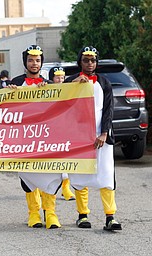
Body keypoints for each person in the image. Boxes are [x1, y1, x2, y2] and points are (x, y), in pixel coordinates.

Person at [64, 46, 122, 231]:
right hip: (79, 137)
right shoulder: (71, 81)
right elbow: (60, 104)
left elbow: (108, 110)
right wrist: (73, 85)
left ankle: (110, 216)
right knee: (81, 175)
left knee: (106, 175)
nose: (90, 63)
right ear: (80, 61)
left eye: (93, 60)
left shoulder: (104, 83)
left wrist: (104, 132)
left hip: (102, 136)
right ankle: (82, 215)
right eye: (86, 60)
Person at [10, 45, 62, 229]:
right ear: (25, 61)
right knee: (28, 175)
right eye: (31, 60)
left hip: (46, 138)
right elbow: (4, 107)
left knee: (50, 173)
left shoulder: (50, 84)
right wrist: (8, 93)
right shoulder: (15, 82)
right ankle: (33, 213)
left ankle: (51, 213)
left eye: (38, 60)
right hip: (24, 138)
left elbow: (60, 107)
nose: (34, 63)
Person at [49, 66, 77, 201]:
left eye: (62, 77)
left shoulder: (69, 92)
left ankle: (66, 189)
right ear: (52, 79)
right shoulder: (46, 92)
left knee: (66, 159)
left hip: (66, 130)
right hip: (51, 132)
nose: (60, 80)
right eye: (57, 77)